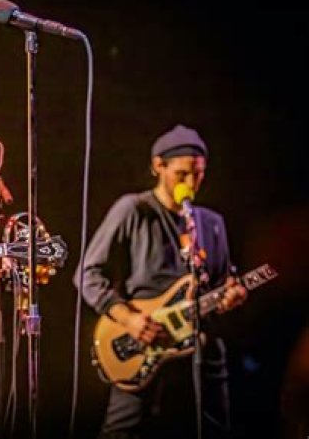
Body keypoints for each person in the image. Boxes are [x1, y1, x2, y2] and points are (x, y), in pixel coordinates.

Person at [74, 124, 248, 439]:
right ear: (158, 166)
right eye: (181, 174)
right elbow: (88, 274)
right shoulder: (134, 209)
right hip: (143, 344)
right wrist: (129, 318)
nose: (191, 183)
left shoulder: (211, 223)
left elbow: (222, 284)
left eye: (198, 174)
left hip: (199, 351)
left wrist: (229, 297)